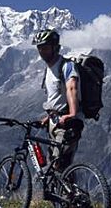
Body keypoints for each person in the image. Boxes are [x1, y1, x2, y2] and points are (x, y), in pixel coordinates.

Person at [33, 29, 84, 173]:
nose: (42, 51)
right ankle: (67, 194)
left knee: (59, 164)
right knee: (56, 166)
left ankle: (73, 195)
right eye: (39, 48)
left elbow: (72, 87)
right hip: (54, 122)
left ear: (55, 47)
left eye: (45, 47)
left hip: (68, 122)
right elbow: (55, 98)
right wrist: (48, 117)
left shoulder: (66, 66)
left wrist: (72, 114)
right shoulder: (48, 69)